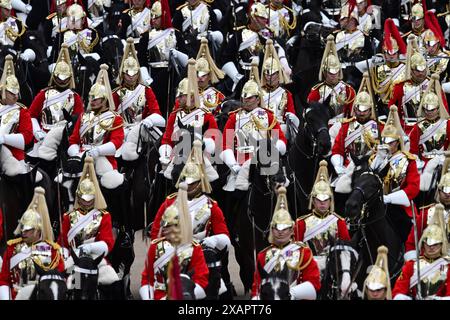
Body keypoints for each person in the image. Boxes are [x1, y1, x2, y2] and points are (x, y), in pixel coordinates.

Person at [151, 140, 230, 299]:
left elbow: (224, 236)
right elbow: (156, 233)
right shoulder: (169, 202)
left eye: (193, 183)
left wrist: (213, 241)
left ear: (200, 182)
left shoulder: (211, 206)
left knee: (216, 274)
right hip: (173, 248)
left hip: (201, 250)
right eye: (186, 182)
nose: (190, 186)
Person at [59, 156, 120, 294]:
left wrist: (89, 247)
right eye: (83, 199)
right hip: (73, 259)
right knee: (62, 286)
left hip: (95, 260)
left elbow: (107, 243)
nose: (86, 202)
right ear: (78, 197)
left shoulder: (103, 216)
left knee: (113, 281)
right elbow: (62, 241)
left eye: (90, 199)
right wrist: (64, 251)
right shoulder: (68, 217)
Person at [140, 182, 209, 300]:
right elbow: (147, 278)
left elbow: (201, 280)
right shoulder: (155, 246)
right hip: (159, 296)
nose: (166, 231)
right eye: (166, 227)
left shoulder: (194, 248)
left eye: (171, 227)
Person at [251, 187, 321, 300]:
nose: (280, 232)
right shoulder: (263, 255)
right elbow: (257, 288)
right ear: (272, 230)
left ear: (292, 230)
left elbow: (314, 284)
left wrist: (291, 293)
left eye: (284, 228)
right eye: (277, 228)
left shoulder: (303, 252)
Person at [220, 77, 287, 192]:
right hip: (241, 163)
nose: (246, 100)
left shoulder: (268, 116)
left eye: (250, 98)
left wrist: (271, 149)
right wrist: (233, 165)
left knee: (284, 186)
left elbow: (280, 139)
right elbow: (226, 145)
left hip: (266, 161)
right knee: (233, 192)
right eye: (244, 97)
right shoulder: (233, 118)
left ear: (257, 99)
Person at [0, 187, 65, 300]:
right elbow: (4, 279)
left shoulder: (52, 250)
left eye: (28, 230)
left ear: (38, 230)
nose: (23, 233)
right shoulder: (12, 248)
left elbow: (59, 277)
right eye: (22, 229)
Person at [28, 44, 84, 173]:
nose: (63, 81)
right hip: (43, 136)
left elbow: (79, 119)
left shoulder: (75, 97)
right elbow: (31, 115)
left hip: (66, 135)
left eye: (65, 78)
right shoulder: (43, 94)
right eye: (60, 77)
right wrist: (37, 132)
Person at [68, 64, 124, 190]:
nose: (91, 101)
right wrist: (76, 153)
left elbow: (116, 142)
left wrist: (98, 151)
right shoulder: (83, 116)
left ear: (104, 100)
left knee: (112, 185)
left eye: (96, 98)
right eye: (90, 97)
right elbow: (74, 140)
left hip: (103, 158)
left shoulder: (115, 118)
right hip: (82, 156)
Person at [370, 105, 420, 242]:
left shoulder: (408, 160)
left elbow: (413, 188)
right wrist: (379, 158)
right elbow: (368, 179)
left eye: (390, 143)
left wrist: (390, 198)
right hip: (376, 203)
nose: (387, 145)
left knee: (405, 229)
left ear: (397, 143)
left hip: (398, 205)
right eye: (384, 141)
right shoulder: (375, 158)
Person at [159, 59, 218, 174]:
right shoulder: (175, 114)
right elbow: (167, 138)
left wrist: (204, 145)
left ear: (191, 97)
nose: (178, 99)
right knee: (164, 175)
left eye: (181, 96)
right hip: (177, 155)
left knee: (212, 178)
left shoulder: (206, 115)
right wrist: (165, 154)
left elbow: (214, 138)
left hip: (200, 155)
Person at [112, 38, 165, 162]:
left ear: (138, 73)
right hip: (123, 130)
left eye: (134, 73)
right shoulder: (116, 93)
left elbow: (156, 111)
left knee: (161, 144)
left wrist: (149, 121)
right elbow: (111, 115)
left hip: (142, 128)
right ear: (123, 74)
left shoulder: (147, 90)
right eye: (127, 74)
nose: (131, 77)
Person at [295, 160, 350, 272]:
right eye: (319, 200)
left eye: (326, 199)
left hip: (334, 269)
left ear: (330, 201)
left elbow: (346, 250)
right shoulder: (301, 223)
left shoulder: (339, 222)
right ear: (313, 201)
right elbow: (294, 251)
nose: (322, 203)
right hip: (308, 267)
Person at [331, 72, 382, 192]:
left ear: (370, 110)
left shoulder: (380, 127)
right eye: (359, 109)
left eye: (365, 110)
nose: (362, 113)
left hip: (371, 168)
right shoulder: (345, 126)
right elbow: (337, 149)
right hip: (348, 168)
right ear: (354, 109)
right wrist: (339, 167)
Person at [388, 35, 448, 133]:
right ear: (411, 70)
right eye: (417, 70)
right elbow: (393, 111)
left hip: (429, 130)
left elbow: (444, 109)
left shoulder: (433, 84)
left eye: (423, 69)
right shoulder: (400, 86)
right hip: (407, 129)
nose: (421, 73)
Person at [393, 203, 450, 300]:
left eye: (435, 244)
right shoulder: (411, 265)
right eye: (427, 243)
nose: (431, 247)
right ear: (422, 244)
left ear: (441, 245)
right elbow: (398, 291)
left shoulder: (448, 267)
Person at [409, 73, 450, 192]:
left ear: (438, 109)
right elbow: (413, 151)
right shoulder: (417, 128)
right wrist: (419, 163)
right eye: (426, 109)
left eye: (432, 109)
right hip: (424, 163)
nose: (429, 112)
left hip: (445, 161)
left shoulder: (447, 124)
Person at [404, 157, 450, 261]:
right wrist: (413, 264)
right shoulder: (427, 213)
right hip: (429, 266)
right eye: (444, 190)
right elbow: (412, 243)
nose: (447, 194)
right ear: (438, 191)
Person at [307, 35, 356, 127]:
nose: (334, 76)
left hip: (342, 126)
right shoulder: (317, 91)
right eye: (330, 73)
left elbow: (352, 115)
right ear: (325, 73)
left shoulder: (348, 91)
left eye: (336, 72)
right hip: (323, 126)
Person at [0, 55, 33, 177]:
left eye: (17, 92)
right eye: (11, 93)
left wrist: (4, 138)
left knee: (20, 178)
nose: (16, 96)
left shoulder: (22, 111)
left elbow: (27, 137)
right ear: (3, 91)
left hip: (14, 155)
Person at [260, 39, 299, 135]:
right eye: (267, 74)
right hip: (260, 126)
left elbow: (291, 112)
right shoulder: (258, 92)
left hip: (279, 127)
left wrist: (292, 117)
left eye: (273, 74)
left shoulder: (286, 94)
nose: (270, 77)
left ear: (278, 74)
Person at [368, 18, 406, 115]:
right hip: (382, 109)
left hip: (400, 108)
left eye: (394, 53)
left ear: (398, 53)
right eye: (388, 53)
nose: (391, 56)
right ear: (384, 54)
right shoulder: (377, 69)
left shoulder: (405, 68)